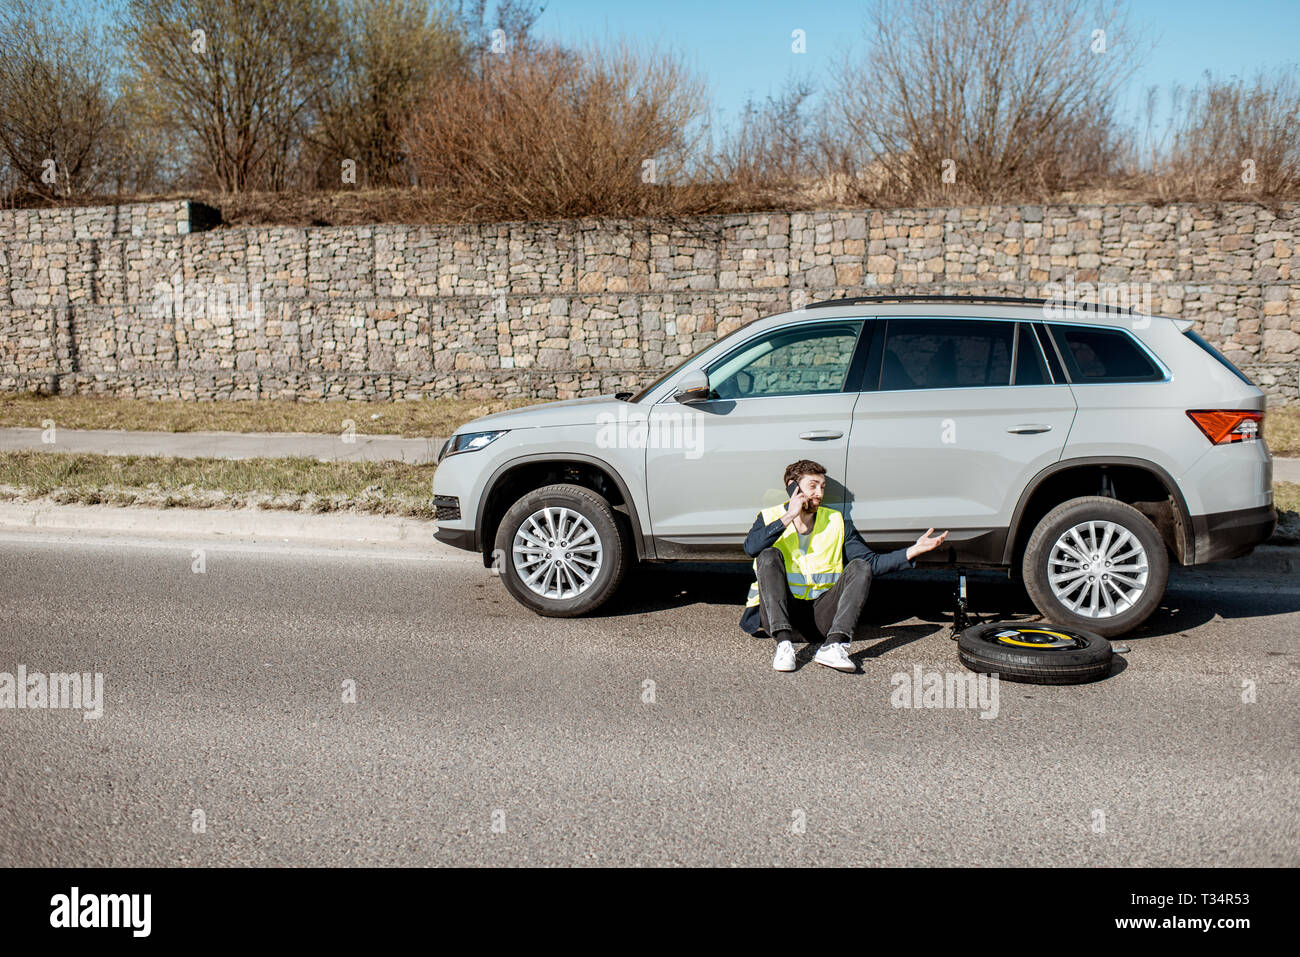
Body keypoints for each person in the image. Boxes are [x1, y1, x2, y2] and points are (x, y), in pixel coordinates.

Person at [741, 459, 949, 672]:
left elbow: (871, 563)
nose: (819, 493)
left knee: (859, 566)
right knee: (767, 554)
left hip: (822, 620)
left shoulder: (835, 521)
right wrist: (789, 515)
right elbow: (751, 548)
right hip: (782, 618)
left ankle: (834, 646)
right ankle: (784, 646)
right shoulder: (770, 517)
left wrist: (913, 550)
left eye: (822, 487)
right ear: (793, 487)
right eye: (812, 486)